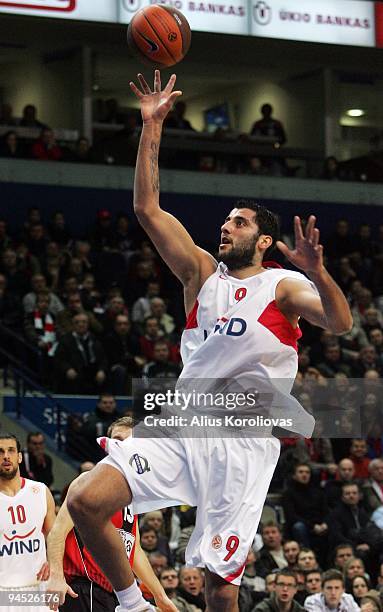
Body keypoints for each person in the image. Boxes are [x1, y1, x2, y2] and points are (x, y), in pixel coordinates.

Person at [67, 71, 352, 612]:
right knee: (86, 499)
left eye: (239, 222)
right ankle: (133, 605)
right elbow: (147, 210)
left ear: (263, 240)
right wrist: (151, 126)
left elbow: (339, 324)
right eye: (225, 220)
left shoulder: (281, 285)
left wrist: (320, 273)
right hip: (185, 420)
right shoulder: (201, 274)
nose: (226, 226)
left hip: (244, 439)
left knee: (221, 585)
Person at [45, 417, 176, 612]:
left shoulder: (132, 495)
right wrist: (55, 575)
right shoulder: (87, 483)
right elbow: (57, 532)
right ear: (108, 448)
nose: (123, 445)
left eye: (130, 441)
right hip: (85, 587)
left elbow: (134, 551)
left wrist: (160, 595)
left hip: (115, 592)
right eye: (117, 440)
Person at [0, 433, 56, 611]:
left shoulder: (40, 491)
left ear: (19, 456)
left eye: (10, 451)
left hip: (40, 587)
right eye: (0, 452)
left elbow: (55, 537)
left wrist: (54, 565)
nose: (6, 456)